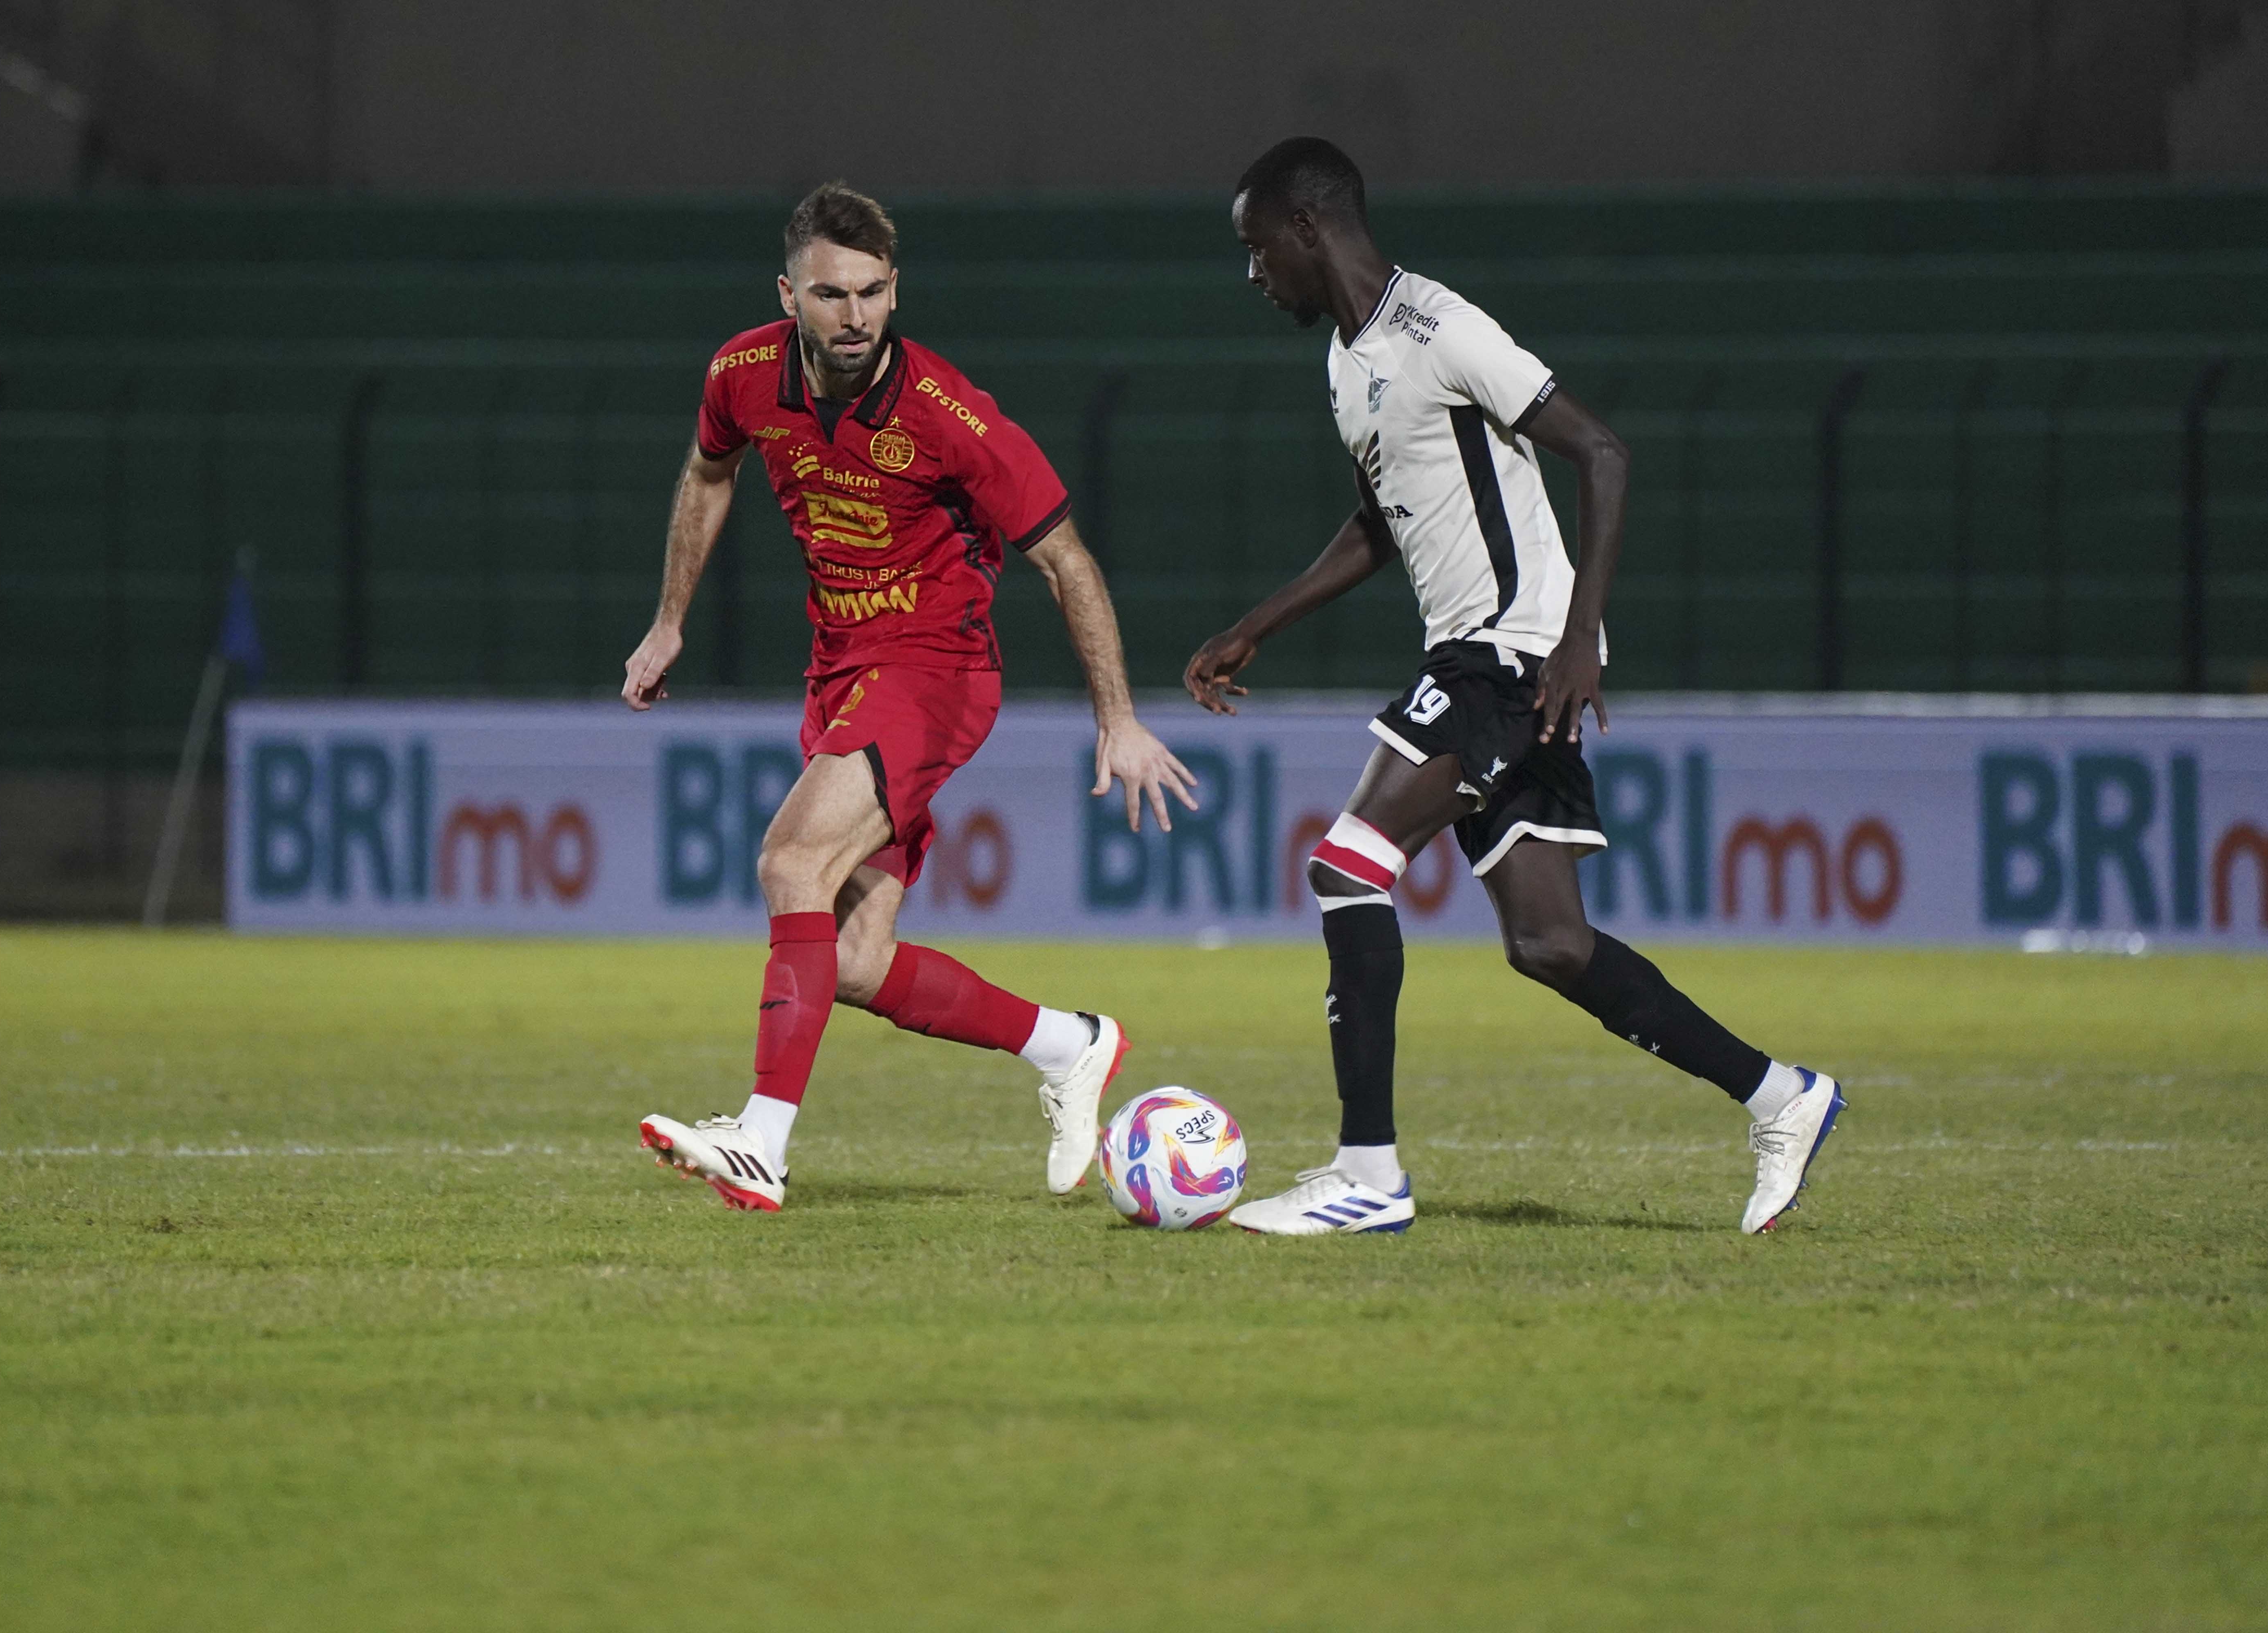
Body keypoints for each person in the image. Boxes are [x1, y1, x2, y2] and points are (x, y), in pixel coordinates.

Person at [1185, 139, 1844, 1236]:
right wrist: (1257, 626)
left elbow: (1604, 452)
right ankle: (1783, 1098)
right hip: (1484, 654)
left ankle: (1367, 1175)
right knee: (1552, 945)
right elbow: (1375, 525)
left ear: (1309, 229)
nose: (1255, 276)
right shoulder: (1349, 363)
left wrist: (1580, 637)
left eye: (1258, 251)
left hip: (1509, 653)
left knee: (1348, 864)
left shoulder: (1441, 329)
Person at [625, 182, 1196, 1214]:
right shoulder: (743, 373)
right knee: (850, 958)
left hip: (937, 668)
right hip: (840, 667)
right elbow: (709, 475)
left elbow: (1067, 561)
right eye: (833, 294)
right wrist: (669, 621)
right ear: (789, 292)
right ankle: (1072, 1045)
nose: (855, 317)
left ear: (897, 290)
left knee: (789, 859)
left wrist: (1117, 716)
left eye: (874, 293)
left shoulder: (946, 414)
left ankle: (762, 1138)